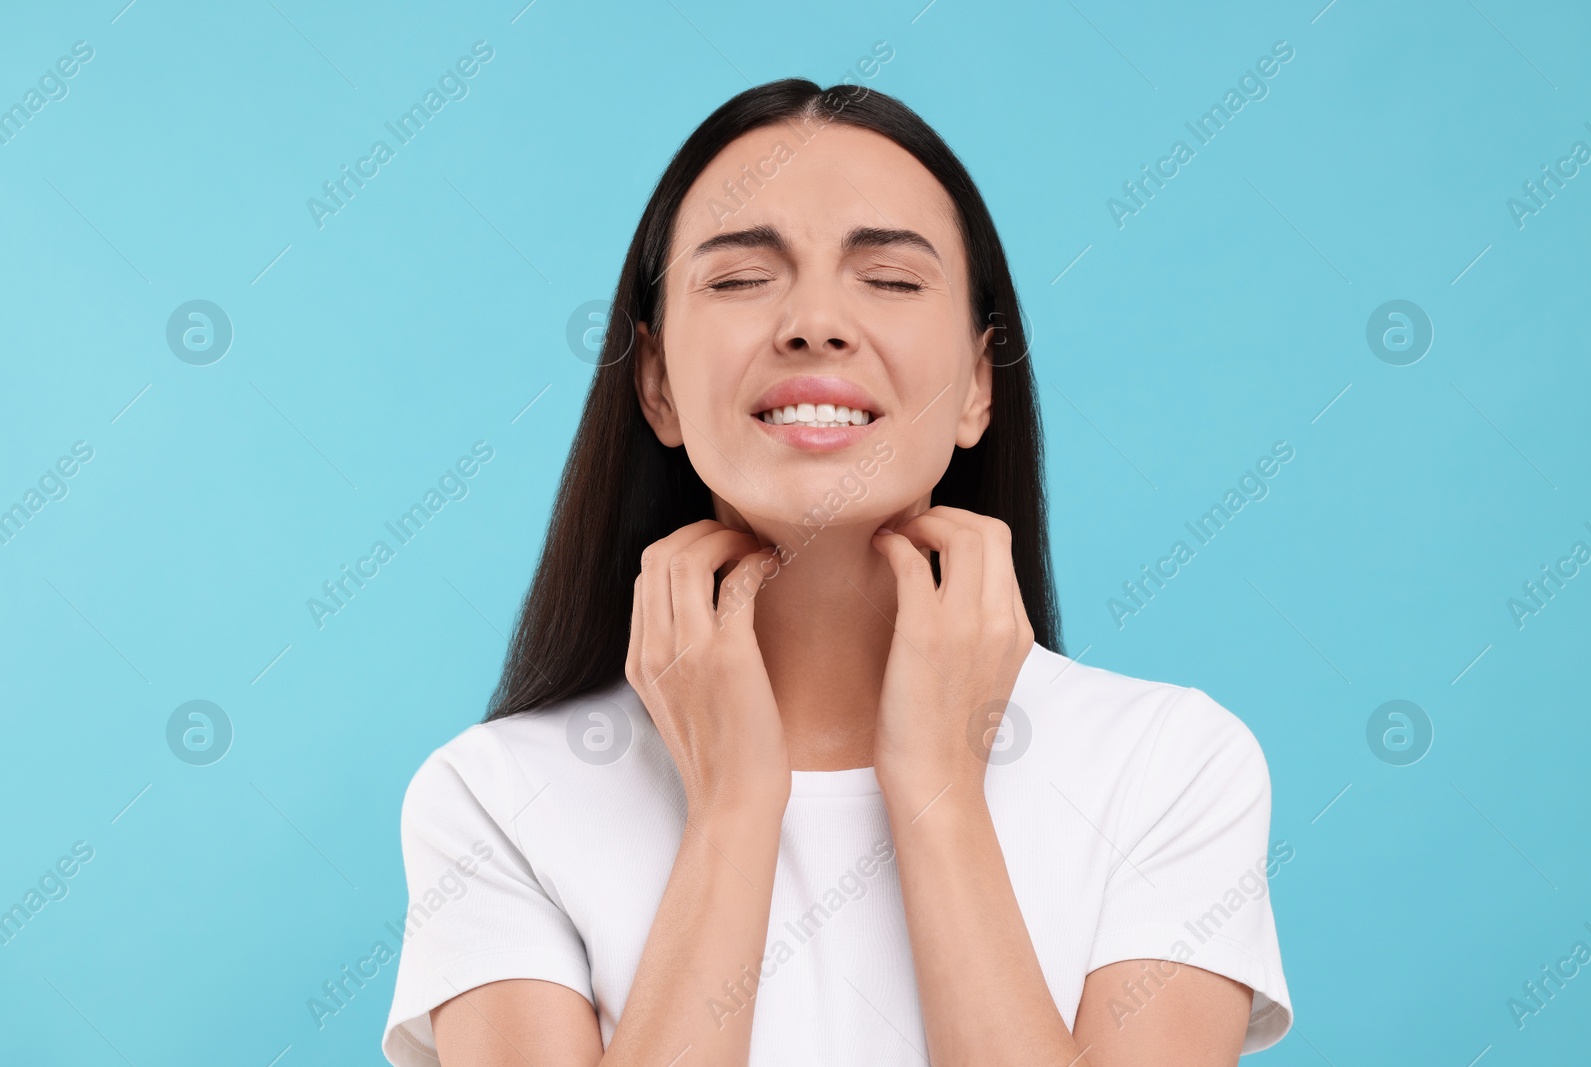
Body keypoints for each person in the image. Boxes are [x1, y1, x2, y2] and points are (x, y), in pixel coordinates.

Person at [382, 77, 1292, 1067]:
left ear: (978, 383)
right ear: (656, 383)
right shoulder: (492, 800)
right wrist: (733, 807)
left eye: (891, 280)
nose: (815, 322)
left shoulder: (1171, 767)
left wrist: (937, 786)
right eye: (738, 280)